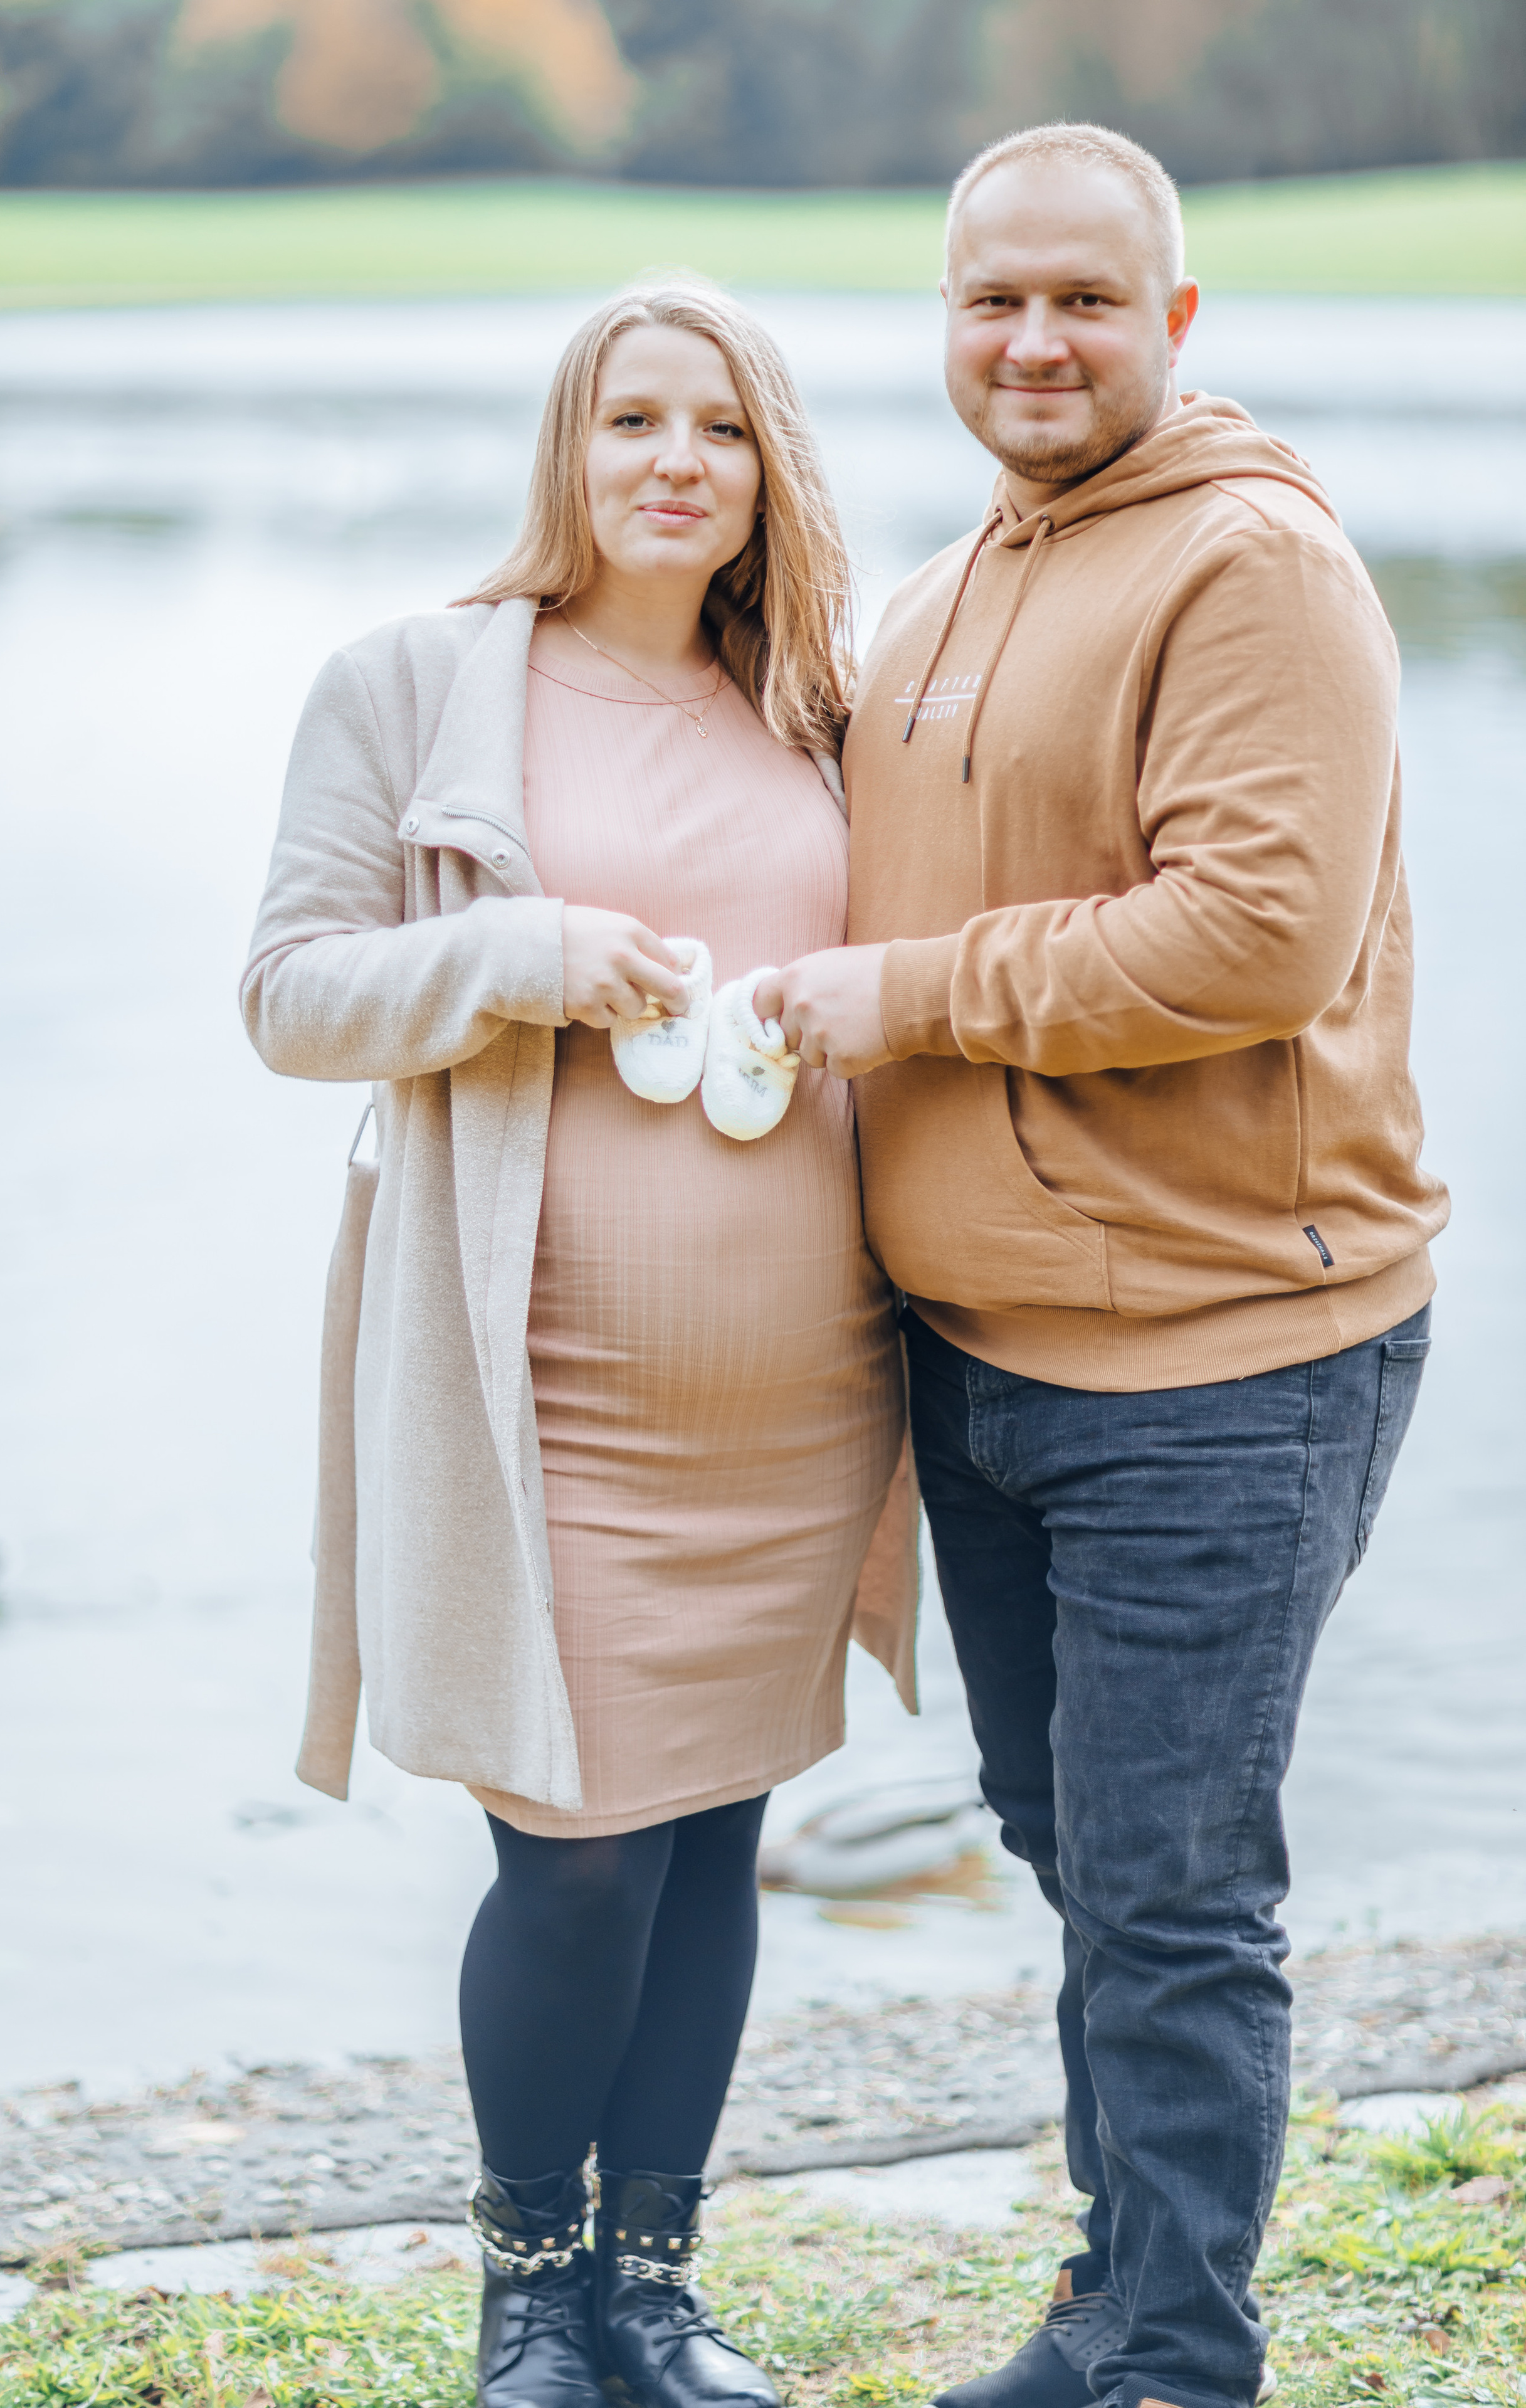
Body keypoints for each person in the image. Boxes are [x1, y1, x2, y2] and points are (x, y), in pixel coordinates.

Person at [757, 124, 1449, 2408]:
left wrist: (916, 994)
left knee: (1167, 1891)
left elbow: (1251, 936)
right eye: (988, 302)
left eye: (1080, 300)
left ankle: (1175, 2356)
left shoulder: (1252, 567)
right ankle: (1117, 2293)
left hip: (1227, 1357)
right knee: (1073, 1844)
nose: (1031, 341)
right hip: (986, 1357)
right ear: (943, 324)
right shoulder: (951, 593)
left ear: (1172, 321)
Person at [240, 285, 914, 2408]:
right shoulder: (418, 687)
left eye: (719, 426)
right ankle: (530, 2293)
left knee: (717, 1823)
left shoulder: (822, 709)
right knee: (581, 1840)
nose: (672, 461)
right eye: (631, 418)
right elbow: (286, 995)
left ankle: (654, 2289)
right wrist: (520, 956)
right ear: (571, 448)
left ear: (766, 468)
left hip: (804, 1393)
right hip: (545, 1398)